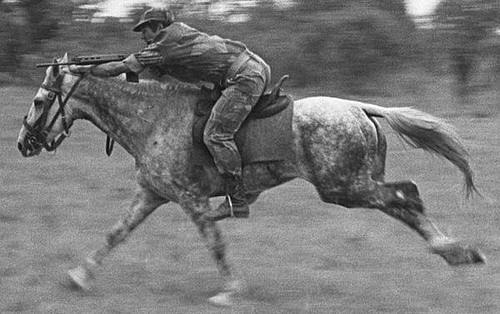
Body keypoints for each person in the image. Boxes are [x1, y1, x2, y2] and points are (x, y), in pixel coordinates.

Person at [71, 8, 271, 221]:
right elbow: (145, 71)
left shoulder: (167, 41)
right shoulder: (174, 38)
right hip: (248, 70)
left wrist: (88, 70)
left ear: (159, 27)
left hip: (245, 76)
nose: (142, 35)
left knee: (215, 134)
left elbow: (124, 66)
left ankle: (237, 200)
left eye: (145, 30)